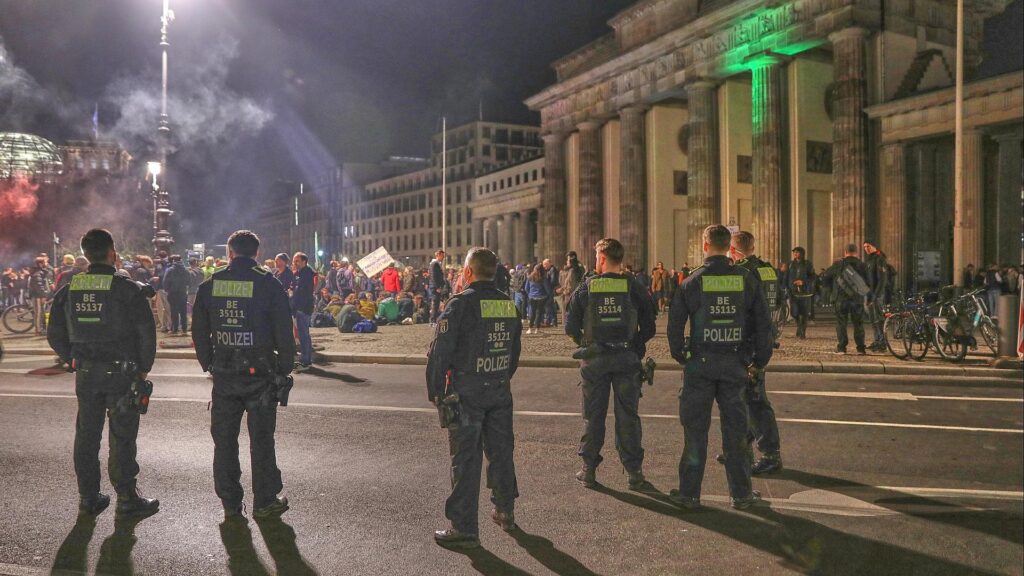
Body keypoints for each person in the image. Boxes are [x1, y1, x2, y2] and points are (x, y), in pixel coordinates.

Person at [47, 228, 160, 518]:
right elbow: (146, 332)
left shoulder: (70, 287)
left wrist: (71, 357)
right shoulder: (126, 288)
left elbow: (54, 332)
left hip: (85, 373)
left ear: (85, 254)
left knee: (87, 435)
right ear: (112, 253)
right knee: (122, 436)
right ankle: (126, 499)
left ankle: (88, 497)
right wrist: (144, 368)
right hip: (122, 374)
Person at [667, 224, 773, 510]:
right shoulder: (747, 278)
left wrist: (682, 356)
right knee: (736, 434)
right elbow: (764, 325)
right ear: (729, 247)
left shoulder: (692, 281)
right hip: (735, 364)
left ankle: (689, 495)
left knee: (695, 433)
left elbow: (674, 326)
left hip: (699, 364)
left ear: (704, 245)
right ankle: (741, 495)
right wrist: (758, 362)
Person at [192, 230, 295, 520]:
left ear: (229, 253)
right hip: (260, 374)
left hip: (224, 374)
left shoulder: (211, 285)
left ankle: (230, 503)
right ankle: (265, 500)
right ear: (256, 253)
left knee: (224, 441)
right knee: (262, 441)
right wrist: (284, 366)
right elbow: (283, 331)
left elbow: (198, 330)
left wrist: (209, 364)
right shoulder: (268, 284)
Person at [427, 247, 522, 550]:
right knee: (502, 452)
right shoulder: (508, 305)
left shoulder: (460, 305)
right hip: (498, 387)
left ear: (468, 272)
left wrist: (436, 392)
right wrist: (499, 376)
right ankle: (505, 510)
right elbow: (514, 353)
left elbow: (439, 353)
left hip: (467, 392)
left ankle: (464, 527)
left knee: (466, 460)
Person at [565, 238, 657, 491]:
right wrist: (635, 345)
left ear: (602, 259)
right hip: (627, 358)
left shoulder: (587, 287)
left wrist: (585, 341)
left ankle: (589, 469)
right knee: (628, 416)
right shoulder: (634, 286)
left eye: (597, 257)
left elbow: (570, 325)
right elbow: (649, 324)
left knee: (593, 416)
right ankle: (634, 472)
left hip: (595, 359)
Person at [728, 231, 783, 475]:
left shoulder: (744, 271)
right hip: (765, 337)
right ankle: (743, 444)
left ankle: (771, 454)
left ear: (733, 250)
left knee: (755, 400)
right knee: (747, 396)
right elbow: (780, 301)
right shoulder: (767, 269)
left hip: (749, 340)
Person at [821, 244, 870, 354]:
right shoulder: (862, 265)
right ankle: (861, 348)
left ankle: (842, 347)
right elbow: (869, 282)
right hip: (857, 299)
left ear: (845, 252)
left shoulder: (838, 264)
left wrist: (832, 290)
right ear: (856, 252)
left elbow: (825, 278)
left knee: (841, 323)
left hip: (841, 298)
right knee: (858, 323)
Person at [290, 252, 315, 372]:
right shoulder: (299, 273)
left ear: (304, 262)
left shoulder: (307, 274)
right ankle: (306, 359)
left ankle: (306, 361)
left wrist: (292, 292)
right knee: (303, 334)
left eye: (297, 261)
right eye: (294, 261)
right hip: (299, 307)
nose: (295, 263)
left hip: (303, 308)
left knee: (303, 334)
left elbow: (301, 291)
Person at [863, 242, 890, 351]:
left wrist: (875, 296)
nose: (866, 249)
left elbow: (882, 280)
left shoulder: (880, 259)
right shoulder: (870, 259)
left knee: (879, 318)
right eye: (864, 247)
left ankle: (882, 342)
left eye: (868, 246)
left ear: (874, 246)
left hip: (877, 294)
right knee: (873, 319)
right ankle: (877, 341)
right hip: (869, 293)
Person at [786, 248, 815, 338]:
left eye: (797, 252)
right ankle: (799, 326)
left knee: (804, 312)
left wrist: (803, 282)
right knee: (794, 312)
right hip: (793, 292)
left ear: (802, 254)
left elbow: (812, 277)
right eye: (794, 252)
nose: (795, 254)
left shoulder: (807, 264)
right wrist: (786, 287)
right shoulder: (790, 264)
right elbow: (786, 276)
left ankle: (803, 331)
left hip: (805, 292)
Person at [162, 255, 191, 336]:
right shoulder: (185, 270)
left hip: (172, 293)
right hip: (183, 293)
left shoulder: (170, 270)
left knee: (174, 311)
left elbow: (165, 282)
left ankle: (175, 329)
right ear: (181, 260)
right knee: (183, 311)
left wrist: (167, 290)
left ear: (174, 261)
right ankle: (184, 329)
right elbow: (189, 281)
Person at [29, 255, 53, 334]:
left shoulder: (41, 271)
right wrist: (43, 296)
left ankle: (41, 329)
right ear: (40, 264)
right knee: (38, 313)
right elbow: (39, 286)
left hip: (40, 295)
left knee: (41, 312)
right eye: (45, 262)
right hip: (37, 296)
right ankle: (38, 330)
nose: (46, 263)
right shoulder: (37, 273)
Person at [557, 251, 586, 318]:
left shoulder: (572, 271)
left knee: (568, 316)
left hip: (570, 296)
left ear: (571, 259)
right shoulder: (579, 268)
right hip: (578, 295)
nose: (567, 261)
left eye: (568, 259)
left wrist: (564, 291)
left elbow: (570, 285)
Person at [524, 264, 550, 334]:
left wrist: (530, 294)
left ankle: (529, 328)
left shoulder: (530, 278)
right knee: (539, 313)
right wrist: (548, 295)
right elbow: (547, 289)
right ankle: (537, 329)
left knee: (532, 313)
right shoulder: (543, 278)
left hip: (532, 297)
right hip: (541, 297)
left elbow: (526, 288)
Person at [429, 250, 447, 324]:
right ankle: (433, 321)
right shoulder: (434, 264)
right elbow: (434, 277)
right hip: (436, 287)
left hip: (436, 286)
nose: (443, 257)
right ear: (438, 255)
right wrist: (437, 287)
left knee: (436, 303)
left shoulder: (436, 263)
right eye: (442, 256)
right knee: (435, 304)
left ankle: (434, 320)